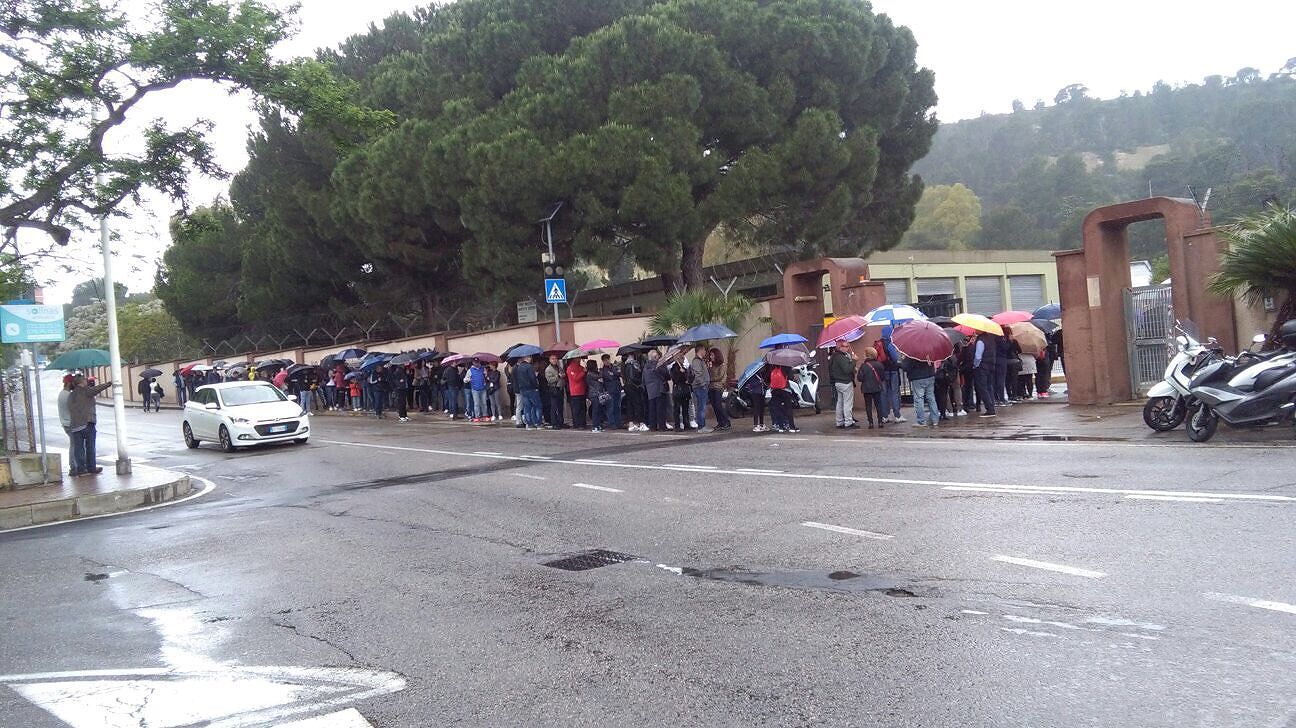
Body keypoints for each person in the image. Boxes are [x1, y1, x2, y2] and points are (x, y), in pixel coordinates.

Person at [69, 374, 111, 474]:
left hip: (75, 425)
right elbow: (96, 389)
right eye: (85, 379)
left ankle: (81, 468)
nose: (86, 381)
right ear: (81, 382)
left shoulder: (71, 394)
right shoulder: (85, 390)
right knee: (90, 446)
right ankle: (91, 467)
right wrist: (108, 384)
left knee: (78, 448)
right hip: (87, 423)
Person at [57, 375, 85, 476]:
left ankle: (76, 465)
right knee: (74, 445)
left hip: (66, 423)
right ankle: (73, 467)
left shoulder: (62, 394)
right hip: (70, 423)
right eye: (73, 383)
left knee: (75, 444)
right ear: (69, 383)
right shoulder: (68, 395)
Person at [828, 339, 859, 429]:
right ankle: (848, 422)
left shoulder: (835, 356)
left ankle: (839, 421)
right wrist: (854, 361)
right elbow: (847, 370)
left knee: (840, 403)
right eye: (845, 346)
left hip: (838, 382)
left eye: (848, 346)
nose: (847, 348)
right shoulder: (840, 357)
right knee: (847, 403)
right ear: (840, 347)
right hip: (845, 382)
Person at [900, 355, 938, 427]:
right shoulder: (928, 349)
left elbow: (905, 367)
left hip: (918, 377)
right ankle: (935, 420)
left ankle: (921, 421)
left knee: (919, 399)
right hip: (930, 375)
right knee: (931, 398)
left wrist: (903, 359)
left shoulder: (912, 352)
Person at [875, 329, 904, 423]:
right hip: (892, 371)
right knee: (894, 393)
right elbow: (895, 359)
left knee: (883, 393)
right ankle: (897, 415)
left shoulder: (878, 343)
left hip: (882, 371)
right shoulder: (890, 344)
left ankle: (885, 416)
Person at [857, 347, 886, 429]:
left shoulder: (863, 366)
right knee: (878, 405)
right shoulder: (879, 364)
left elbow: (860, 378)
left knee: (868, 406)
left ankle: (871, 423)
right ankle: (880, 422)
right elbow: (883, 377)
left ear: (867, 355)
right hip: (877, 387)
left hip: (867, 389)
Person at [972, 332, 998, 418]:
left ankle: (989, 409)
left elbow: (978, 356)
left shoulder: (980, 341)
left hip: (982, 367)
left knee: (983, 388)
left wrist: (975, 365)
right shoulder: (991, 339)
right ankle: (992, 406)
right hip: (991, 365)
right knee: (989, 386)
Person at [705, 347, 731, 431]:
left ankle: (726, 422)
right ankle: (720, 422)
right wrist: (708, 368)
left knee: (718, 405)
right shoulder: (711, 365)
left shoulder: (722, 365)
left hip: (718, 388)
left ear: (717, 355)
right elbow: (708, 375)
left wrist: (710, 378)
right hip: (711, 387)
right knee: (714, 406)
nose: (711, 357)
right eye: (710, 355)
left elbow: (719, 377)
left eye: (712, 355)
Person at [514, 356, 541, 429]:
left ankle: (529, 424)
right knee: (537, 406)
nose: (531, 358)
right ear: (527, 358)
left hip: (523, 389)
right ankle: (538, 423)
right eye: (530, 357)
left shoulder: (519, 367)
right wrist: (536, 386)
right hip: (531, 389)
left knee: (527, 407)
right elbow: (532, 378)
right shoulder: (529, 367)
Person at [769, 364, 798, 433]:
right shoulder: (786, 366)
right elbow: (791, 378)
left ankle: (781, 427)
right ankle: (791, 427)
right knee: (788, 408)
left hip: (774, 390)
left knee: (778, 409)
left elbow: (768, 378)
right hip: (785, 390)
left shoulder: (772, 366)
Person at [621, 351, 645, 432]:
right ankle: (640, 423)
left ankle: (631, 424)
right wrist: (639, 383)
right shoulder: (631, 365)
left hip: (628, 387)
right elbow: (632, 377)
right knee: (637, 404)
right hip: (633, 387)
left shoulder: (624, 365)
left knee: (630, 405)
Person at [669, 354, 693, 432]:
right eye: (681, 358)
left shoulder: (683, 367)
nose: (683, 360)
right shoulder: (674, 368)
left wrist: (688, 378)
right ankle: (677, 425)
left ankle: (687, 424)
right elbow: (675, 379)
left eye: (683, 358)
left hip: (685, 390)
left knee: (685, 408)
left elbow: (688, 377)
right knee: (677, 409)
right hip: (678, 390)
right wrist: (680, 373)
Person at [689, 345, 710, 431]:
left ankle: (702, 426)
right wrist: (703, 384)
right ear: (700, 350)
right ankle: (701, 427)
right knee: (701, 408)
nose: (705, 352)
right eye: (704, 350)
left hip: (701, 387)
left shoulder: (700, 361)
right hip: (700, 387)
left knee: (702, 407)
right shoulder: (696, 361)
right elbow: (698, 374)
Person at [643, 349, 665, 431]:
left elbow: (643, 379)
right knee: (660, 409)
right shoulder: (658, 365)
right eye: (657, 356)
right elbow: (665, 374)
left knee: (652, 408)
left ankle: (653, 426)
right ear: (655, 357)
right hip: (659, 388)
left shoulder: (646, 366)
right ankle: (662, 426)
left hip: (650, 390)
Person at [743, 366, 768, 432]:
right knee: (756, 408)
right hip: (755, 393)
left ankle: (761, 424)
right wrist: (759, 382)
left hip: (761, 393)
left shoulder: (760, 374)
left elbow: (763, 384)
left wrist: (765, 385)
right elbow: (750, 385)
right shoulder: (752, 375)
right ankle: (755, 425)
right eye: (761, 368)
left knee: (761, 409)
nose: (763, 369)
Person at [566, 356, 587, 429]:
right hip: (575, 391)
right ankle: (577, 424)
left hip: (582, 390)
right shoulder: (570, 368)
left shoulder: (580, 367)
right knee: (576, 409)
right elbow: (575, 378)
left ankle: (583, 423)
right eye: (578, 358)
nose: (579, 359)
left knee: (583, 408)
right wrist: (583, 372)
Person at [544, 354, 565, 429]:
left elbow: (562, 374)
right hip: (554, 389)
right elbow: (549, 380)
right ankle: (554, 423)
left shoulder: (558, 367)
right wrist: (558, 376)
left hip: (560, 388)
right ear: (549, 360)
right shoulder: (548, 369)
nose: (554, 360)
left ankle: (560, 421)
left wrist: (562, 375)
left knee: (560, 407)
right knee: (554, 407)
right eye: (552, 359)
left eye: (555, 358)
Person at [586, 360, 606, 433]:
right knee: (595, 410)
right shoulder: (590, 374)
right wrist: (601, 368)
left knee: (599, 410)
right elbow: (600, 376)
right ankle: (595, 426)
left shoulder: (593, 373)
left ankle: (598, 425)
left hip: (598, 393)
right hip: (594, 394)